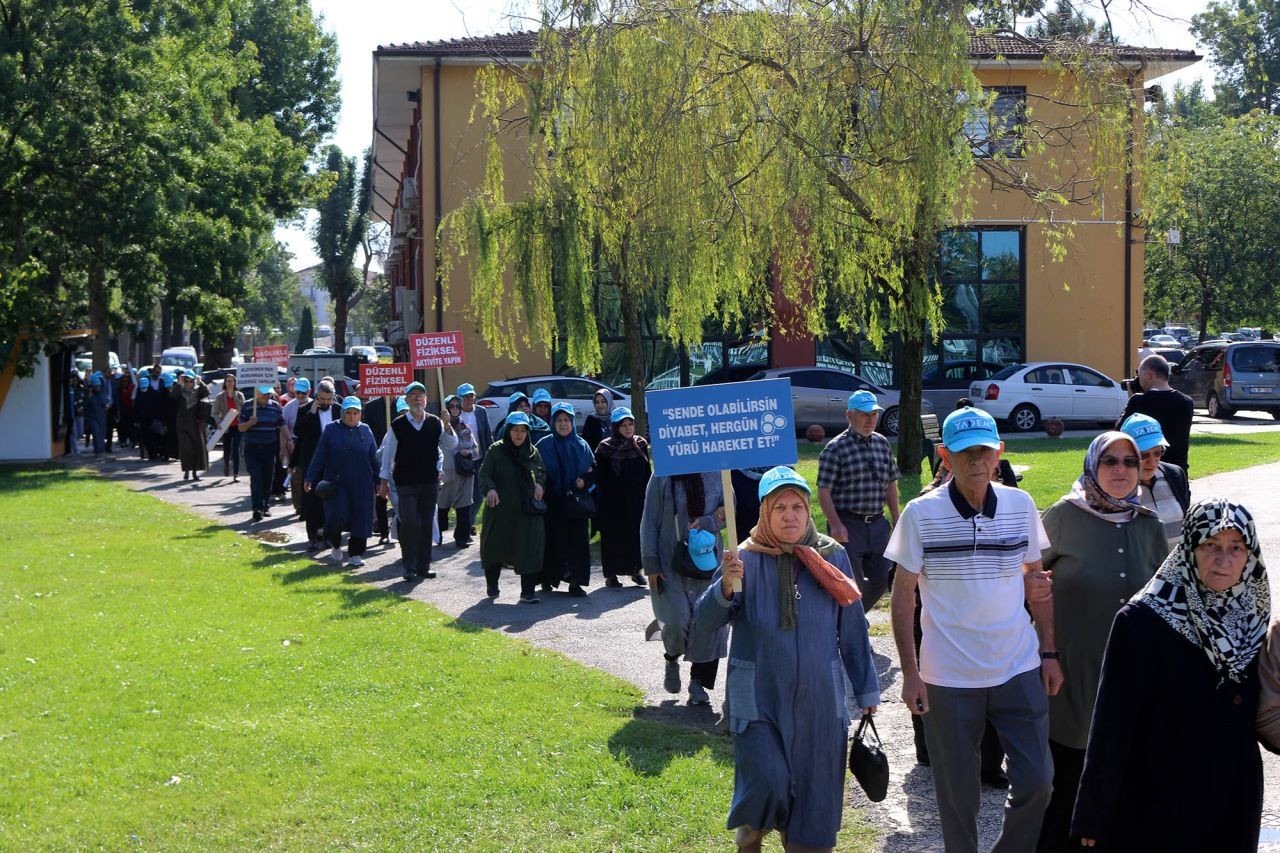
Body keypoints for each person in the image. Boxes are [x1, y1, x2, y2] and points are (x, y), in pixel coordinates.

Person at [886, 406, 1059, 853]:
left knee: (1039, 782)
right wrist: (910, 672)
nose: (976, 460)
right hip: (949, 677)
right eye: (964, 452)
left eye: (984, 450)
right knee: (957, 795)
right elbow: (903, 596)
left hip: (1017, 666)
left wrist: (1050, 652)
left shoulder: (1020, 506)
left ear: (999, 452)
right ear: (944, 456)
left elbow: (1036, 582)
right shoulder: (920, 514)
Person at [695, 466, 879, 853]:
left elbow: (852, 628)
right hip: (758, 698)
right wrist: (725, 585)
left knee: (815, 792)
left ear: (808, 510)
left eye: (797, 506)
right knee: (766, 782)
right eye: (779, 507)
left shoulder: (832, 556)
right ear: (764, 512)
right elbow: (705, 621)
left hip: (819, 699)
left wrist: (866, 687)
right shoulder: (742, 558)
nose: (790, 515)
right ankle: (750, 840)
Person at [1073, 499, 1270, 851]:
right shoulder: (1142, 621)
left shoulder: (1252, 621)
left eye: (1236, 548)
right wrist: (1094, 813)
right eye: (1211, 545)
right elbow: (1111, 724)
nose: (1224, 560)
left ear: (1250, 554)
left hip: (1232, 795)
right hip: (1159, 796)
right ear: (1189, 548)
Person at [1035, 432, 1168, 852]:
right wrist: (1047, 652)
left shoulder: (1148, 524)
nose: (1120, 470)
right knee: (1067, 781)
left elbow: (1167, 600)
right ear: (1093, 464)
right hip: (1072, 670)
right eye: (1110, 461)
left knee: (1125, 777)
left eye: (1130, 462)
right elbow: (1026, 584)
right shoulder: (1063, 516)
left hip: (1135, 676)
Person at [641, 469, 728, 706]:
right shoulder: (663, 473)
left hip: (707, 561)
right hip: (669, 561)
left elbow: (730, 510)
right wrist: (651, 564)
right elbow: (649, 520)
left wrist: (709, 521)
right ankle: (671, 657)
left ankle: (698, 683)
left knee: (708, 622)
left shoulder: (718, 471)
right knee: (676, 620)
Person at [816, 389, 901, 610]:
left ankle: (854, 617)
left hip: (877, 523)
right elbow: (823, 490)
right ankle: (853, 624)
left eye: (874, 414)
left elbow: (891, 482)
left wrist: (896, 516)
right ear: (849, 415)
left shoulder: (882, 443)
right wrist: (835, 524)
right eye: (864, 414)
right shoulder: (835, 449)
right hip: (848, 524)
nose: (870, 420)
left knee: (883, 578)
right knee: (850, 582)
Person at [378, 381, 457, 581]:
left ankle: (424, 566)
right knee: (410, 522)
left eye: (420, 395)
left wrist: (447, 425)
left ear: (426, 399)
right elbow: (388, 456)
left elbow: (451, 444)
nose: (416, 399)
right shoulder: (398, 424)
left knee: (426, 524)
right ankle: (409, 566)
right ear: (406, 399)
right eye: (412, 395)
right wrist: (384, 482)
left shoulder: (435, 422)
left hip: (429, 482)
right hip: (405, 482)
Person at [477, 411, 547, 602]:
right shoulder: (496, 450)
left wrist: (540, 484)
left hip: (527, 511)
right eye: (515, 430)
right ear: (508, 430)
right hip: (500, 510)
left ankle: (528, 592)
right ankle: (492, 585)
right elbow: (484, 474)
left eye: (523, 430)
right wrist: (490, 489)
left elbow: (542, 472)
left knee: (529, 548)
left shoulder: (533, 452)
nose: (519, 434)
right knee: (494, 547)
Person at [306, 396, 380, 568]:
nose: (352, 416)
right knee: (336, 516)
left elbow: (374, 458)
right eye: (349, 413)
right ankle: (336, 545)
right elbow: (320, 455)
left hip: (363, 483)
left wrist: (378, 481)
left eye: (356, 413)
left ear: (360, 414)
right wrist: (310, 477)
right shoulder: (331, 429)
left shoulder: (366, 430)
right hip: (337, 483)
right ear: (342, 413)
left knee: (361, 519)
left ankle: (355, 554)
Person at [536, 402, 596, 597]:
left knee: (578, 543)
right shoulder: (544, 445)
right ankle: (548, 577)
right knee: (553, 541)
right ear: (553, 422)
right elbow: (534, 469)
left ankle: (576, 582)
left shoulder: (582, 445)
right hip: (553, 502)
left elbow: (594, 472)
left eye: (566, 420)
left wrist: (584, 482)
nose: (563, 424)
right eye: (559, 420)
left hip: (576, 503)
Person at [594, 407, 650, 588]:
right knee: (613, 537)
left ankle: (636, 570)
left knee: (635, 535)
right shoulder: (604, 448)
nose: (627, 428)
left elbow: (646, 472)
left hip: (636, 500)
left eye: (630, 424)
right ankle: (611, 574)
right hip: (612, 502)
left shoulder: (640, 444)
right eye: (623, 425)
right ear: (615, 427)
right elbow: (600, 477)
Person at [1120, 413, 1191, 549]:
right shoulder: (1117, 484)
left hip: (1177, 567)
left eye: (1158, 452)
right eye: (1144, 455)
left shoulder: (1175, 474)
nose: (1152, 461)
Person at [1115, 354, 1193, 470]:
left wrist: (1132, 399)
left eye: (1139, 375)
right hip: (1177, 472)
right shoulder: (1187, 402)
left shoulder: (1139, 401)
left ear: (1149, 374)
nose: (1137, 379)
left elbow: (1119, 432)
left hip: (1149, 470)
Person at [291, 380, 341, 551]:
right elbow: (298, 432)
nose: (326, 403)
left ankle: (328, 535)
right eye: (322, 399)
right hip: (313, 463)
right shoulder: (305, 410)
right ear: (316, 397)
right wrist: (311, 414)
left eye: (329, 399)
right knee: (312, 501)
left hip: (333, 463)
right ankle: (313, 537)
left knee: (331, 500)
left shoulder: (338, 410)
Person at [238, 384, 288, 522]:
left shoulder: (276, 407)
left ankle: (265, 505)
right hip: (252, 447)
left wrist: (289, 439)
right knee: (256, 477)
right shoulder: (248, 406)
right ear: (257, 393)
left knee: (267, 478)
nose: (267, 396)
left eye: (268, 394)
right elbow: (241, 428)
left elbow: (282, 424)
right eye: (264, 394)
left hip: (269, 447)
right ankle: (257, 508)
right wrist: (249, 423)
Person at [437, 394, 477, 549]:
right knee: (442, 504)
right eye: (451, 406)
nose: (454, 409)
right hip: (447, 473)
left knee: (464, 504)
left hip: (464, 472)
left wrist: (469, 453)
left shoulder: (465, 427)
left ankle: (462, 537)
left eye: (457, 406)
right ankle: (437, 534)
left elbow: (475, 448)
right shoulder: (439, 427)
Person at [457, 382, 493, 537]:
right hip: (462, 460)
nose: (469, 399)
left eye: (471, 395)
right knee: (463, 495)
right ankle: (464, 525)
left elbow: (487, 434)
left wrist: (491, 454)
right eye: (465, 396)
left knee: (478, 495)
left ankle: (468, 523)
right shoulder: (455, 414)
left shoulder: (481, 412)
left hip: (479, 458)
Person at [171, 370, 210, 481]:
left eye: (190, 381)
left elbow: (207, 393)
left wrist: (200, 381)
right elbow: (173, 396)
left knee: (196, 448)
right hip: (182, 424)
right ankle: (187, 471)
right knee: (186, 448)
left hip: (196, 424)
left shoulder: (198, 391)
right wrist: (179, 383)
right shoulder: (180, 391)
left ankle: (194, 472)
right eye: (186, 381)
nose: (188, 383)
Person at [282, 377, 312, 514]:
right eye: (297, 392)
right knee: (296, 476)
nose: (299, 396)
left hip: (310, 444)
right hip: (294, 444)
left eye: (303, 393)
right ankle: (299, 506)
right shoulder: (288, 407)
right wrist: (285, 447)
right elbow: (283, 427)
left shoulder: (314, 406)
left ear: (309, 391)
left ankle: (309, 504)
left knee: (309, 475)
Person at [212, 373, 245, 481]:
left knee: (236, 449)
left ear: (235, 382)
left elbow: (244, 410)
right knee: (227, 449)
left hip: (237, 426)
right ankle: (226, 465)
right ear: (225, 383)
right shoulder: (220, 397)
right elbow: (215, 412)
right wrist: (218, 422)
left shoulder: (239, 395)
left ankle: (236, 473)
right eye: (228, 381)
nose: (230, 383)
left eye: (232, 381)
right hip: (225, 427)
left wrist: (243, 420)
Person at [84, 372, 108, 456]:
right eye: (96, 386)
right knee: (96, 434)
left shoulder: (102, 393)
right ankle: (97, 451)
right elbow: (85, 405)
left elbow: (105, 403)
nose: (98, 388)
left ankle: (101, 450)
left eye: (98, 386)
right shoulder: (89, 395)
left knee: (101, 434)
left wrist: (106, 405)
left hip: (101, 416)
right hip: (92, 417)